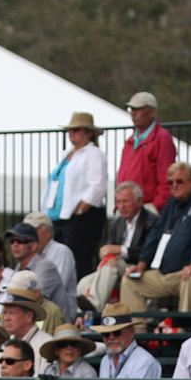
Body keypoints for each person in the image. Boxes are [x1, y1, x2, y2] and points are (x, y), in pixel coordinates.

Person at [120, 162, 191, 317]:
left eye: (179, 181)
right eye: (171, 182)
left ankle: (186, 334)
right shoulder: (172, 204)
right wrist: (141, 265)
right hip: (168, 273)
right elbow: (155, 235)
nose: (174, 185)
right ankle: (136, 333)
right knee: (130, 282)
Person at [46, 112, 109, 280]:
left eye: (77, 129)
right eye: (70, 130)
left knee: (78, 262)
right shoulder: (66, 154)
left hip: (80, 218)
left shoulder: (94, 153)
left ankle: (79, 301)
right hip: (61, 217)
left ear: (88, 132)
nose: (71, 133)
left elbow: (98, 186)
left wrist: (81, 210)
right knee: (59, 261)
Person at [77, 182, 150, 313]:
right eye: (118, 202)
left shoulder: (151, 220)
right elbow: (109, 248)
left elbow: (148, 251)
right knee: (84, 283)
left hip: (137, 269)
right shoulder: (117, 222)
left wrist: (121, 250)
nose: (121, 206)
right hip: (114, 268)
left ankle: (95, 306)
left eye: (126, 201)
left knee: (113, 264)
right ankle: (86, 321)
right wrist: (105, 253)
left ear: (139, 201)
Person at [118, 91, 175, 212]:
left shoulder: (162, 138)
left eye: (138, 109)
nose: (133, 113)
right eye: (131, 109)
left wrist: (156, 207)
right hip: (127, 209)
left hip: (147, 208)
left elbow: (167, 177)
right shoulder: (130, 140)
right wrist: (118, 204)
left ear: (152, 112)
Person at [23, 212, 78, 317]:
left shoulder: (61, 252)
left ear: (48, 233)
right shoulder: (30, 254)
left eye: (33, 230)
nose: (28, 235)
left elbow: (53, 288)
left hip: (59, 317)